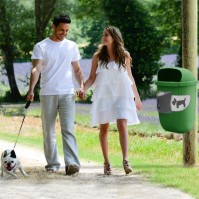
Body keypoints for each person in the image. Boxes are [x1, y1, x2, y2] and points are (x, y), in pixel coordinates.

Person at [26, 14, 85, 175]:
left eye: (66, 31)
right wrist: (31, 89)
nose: (64, 33)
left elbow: (77, 70)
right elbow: (36, 69)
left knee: (68, 129)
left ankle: (72, 163)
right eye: (61, 30)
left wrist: (81, 86)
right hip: (48, 93)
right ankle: (52, 163)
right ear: (53, 27)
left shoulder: (72, 46)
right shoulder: (41, 46)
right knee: (49, 131)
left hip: (67, 93)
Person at [84, 26, 142, 175]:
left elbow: (130, 77)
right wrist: (82, 89)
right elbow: (92, 78)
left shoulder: (125, 56)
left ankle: (126, 160)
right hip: (104, 95)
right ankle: (107, 163)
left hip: (122, 93)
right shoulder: (97, 57)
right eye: (103, 35)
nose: (104, 37)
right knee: (104, 128)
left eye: (107, 35)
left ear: (115, 37)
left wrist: (137, 98)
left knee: (122, 123)